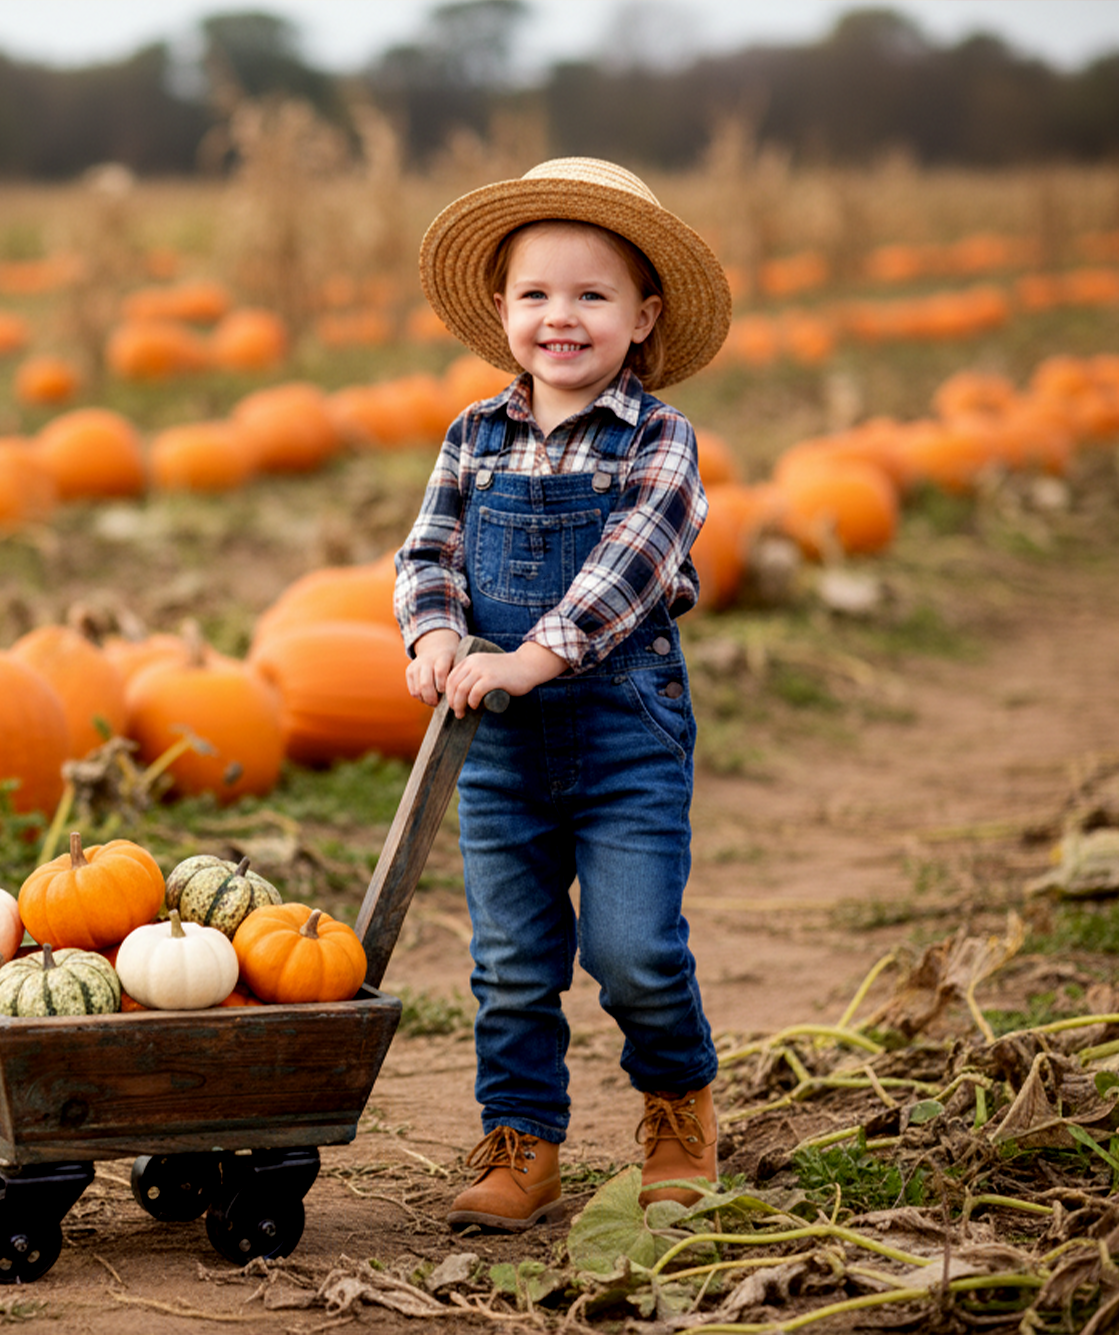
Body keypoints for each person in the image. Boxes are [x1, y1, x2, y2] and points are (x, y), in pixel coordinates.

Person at [396, 157, 732, 1231]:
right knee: (508, 963)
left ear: (642, 317)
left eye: (591, 296)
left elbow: (624, 571)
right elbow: (428, 550)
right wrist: (437, 631)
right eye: (535, 295)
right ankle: (521, 1142)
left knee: (629, 951)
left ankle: (676, 1103)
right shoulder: (471, 436)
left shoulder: (659, 441)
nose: (559, 318)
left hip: (620, 728)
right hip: (491, 747)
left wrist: (527, 658)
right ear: (500, 311)